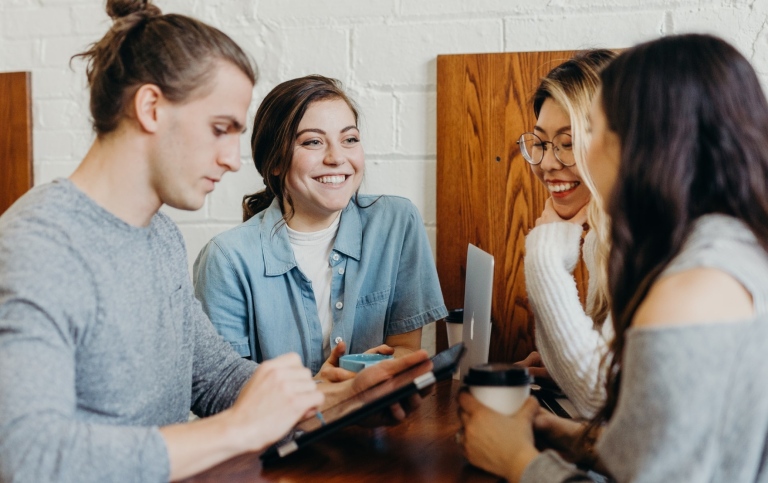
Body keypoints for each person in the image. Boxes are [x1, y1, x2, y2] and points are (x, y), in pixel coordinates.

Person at [0, 1, 429, 481]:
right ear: (151, 108)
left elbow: (216, 377)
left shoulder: (158, 235)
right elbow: (27, 456)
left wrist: (330, 399)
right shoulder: (39, 246)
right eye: (220, 129)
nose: (231, 159)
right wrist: (239, 429)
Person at [458, 33, 768, 482]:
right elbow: (672, 449)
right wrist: (565, 436)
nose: (575, 154)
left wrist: (517, 461)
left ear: (646, 143)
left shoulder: (690, 290)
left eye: (595, 129)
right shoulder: (732, 249)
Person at [193, 75, 448, 379]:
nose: (337, 157)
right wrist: (322, 393)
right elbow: (224, 389)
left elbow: (406, 348)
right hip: (283, 427)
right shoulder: (226, 259)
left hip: (376, 421)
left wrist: (370, 374)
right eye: (313, 142)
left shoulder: (396, 222)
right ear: (274, 161)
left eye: (349, 139)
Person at [516, 49, 615, 418]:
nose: (547, 163)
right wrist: (560, 369)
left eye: (568, 143)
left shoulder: (645, 240)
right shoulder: (601, 238)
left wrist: (544, 256)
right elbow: (608, 384)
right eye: (540, 143)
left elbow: (599, 399)